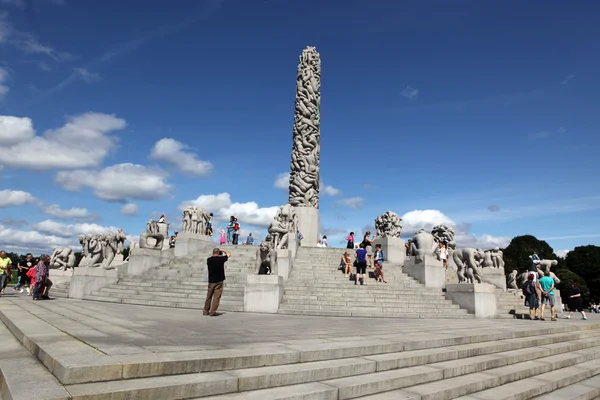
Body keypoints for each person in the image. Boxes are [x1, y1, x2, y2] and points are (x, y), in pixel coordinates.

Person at [204, 248, 231, 316]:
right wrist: (223, 250)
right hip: (219, 280)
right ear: (219, 253)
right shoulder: (221, 259)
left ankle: (205, 310)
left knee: (209, 296)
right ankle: (212, 312)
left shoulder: (209, 259)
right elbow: (229, 254)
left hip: (211, 281)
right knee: (216, 297)